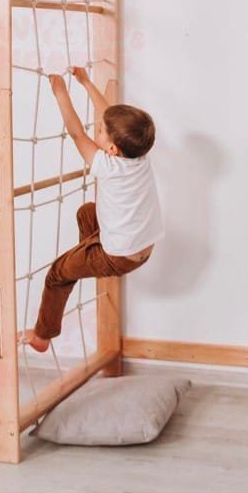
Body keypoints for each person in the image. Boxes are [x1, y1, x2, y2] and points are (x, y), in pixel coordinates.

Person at [21, 67, 163, 352]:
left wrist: (61, 93)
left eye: (100, 131)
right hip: (144, 247)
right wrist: (86, 82)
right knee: (87, 212)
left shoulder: (107, 166)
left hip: (119, 256)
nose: (97, 130)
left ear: (112, 149)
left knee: (58, 273)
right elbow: (108, 114)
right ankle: (89, 257)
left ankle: (42, 336)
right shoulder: (140, 157)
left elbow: (76, 133)